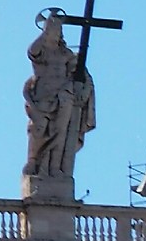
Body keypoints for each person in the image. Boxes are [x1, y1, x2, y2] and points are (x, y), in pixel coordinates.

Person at [23, 10, 96, 189]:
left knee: (60, 133)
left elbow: (81, 74)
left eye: (58, 30)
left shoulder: (67, 54)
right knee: (38, 129)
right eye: (53, 30)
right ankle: (35, 162)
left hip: (64, 97)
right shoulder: (40, 51)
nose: (56, 33)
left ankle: (55, 167)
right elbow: (32, 52)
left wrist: (83, 87)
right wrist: (48, 28)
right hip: (41, 97)